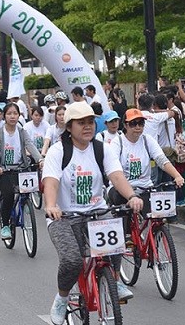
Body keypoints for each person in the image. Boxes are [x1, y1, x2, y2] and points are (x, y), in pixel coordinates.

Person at [41, 102, 143, 325]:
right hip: (64, 217)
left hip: (96, 212)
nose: (87, 126)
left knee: (115, 242)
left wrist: (132, 196)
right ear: (69, 127)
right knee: (71, 260)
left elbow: (116, 176)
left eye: (90, 122)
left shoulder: (101, 148)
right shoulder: (58, 151)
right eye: (81, 123)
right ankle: (62, 297)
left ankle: (113, 280)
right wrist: (51, 205)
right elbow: (51, 182)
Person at [0, 103, 44, 239]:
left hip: (21, 168)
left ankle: (24, 206)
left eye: (15, 113)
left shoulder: (21, 131)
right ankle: (5, 225)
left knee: (27, 192)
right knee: (8, 195)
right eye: (9, 113)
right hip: (4, 170)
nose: (12, 116)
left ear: (19, 115)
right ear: (4, 116)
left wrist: (40, 160)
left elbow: (30, 145)